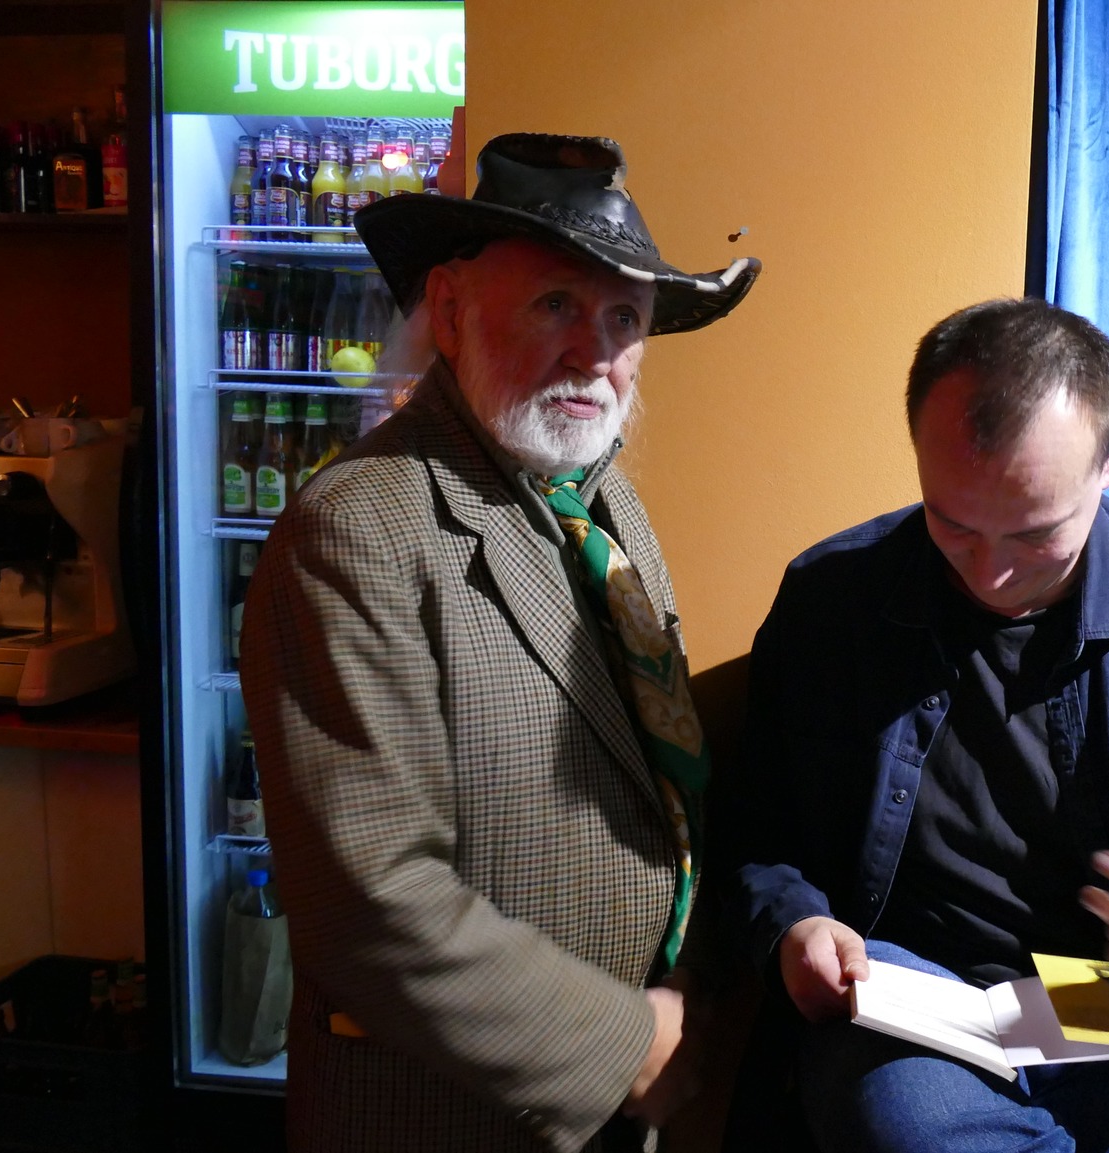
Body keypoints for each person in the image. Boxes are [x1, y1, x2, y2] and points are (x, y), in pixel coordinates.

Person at [716, 298, 1109, 1153]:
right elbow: (753, 831)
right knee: (913, 1128)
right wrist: (792, 925)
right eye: (953, 525)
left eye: (1035, 533)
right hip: (915, 988)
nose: (992, 573)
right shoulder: (831, 602)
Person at [241, 133, 759, 1153]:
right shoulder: (355, 530)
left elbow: (641, 753)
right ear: (449, 309)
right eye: (555, 305)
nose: (594, 354)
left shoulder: (604, 505)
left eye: (623, 318)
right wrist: (625, 1047)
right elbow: (371, 905)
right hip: (448, 1117)